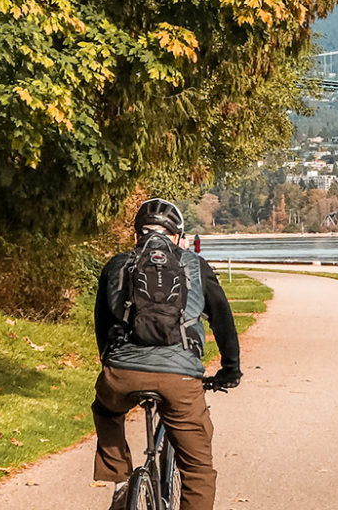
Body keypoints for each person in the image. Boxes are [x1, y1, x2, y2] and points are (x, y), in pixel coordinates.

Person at [91, 198, 242, 510]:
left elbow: (103, 324)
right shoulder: (195, 265)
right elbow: (222, 319)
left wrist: (112, 363)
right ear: (178, 237)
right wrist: (230, 369)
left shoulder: (117, 265)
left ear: (136, 236)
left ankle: (120, 479)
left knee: (105, 410)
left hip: (122, 374)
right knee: (198, 469)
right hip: (180, 378)